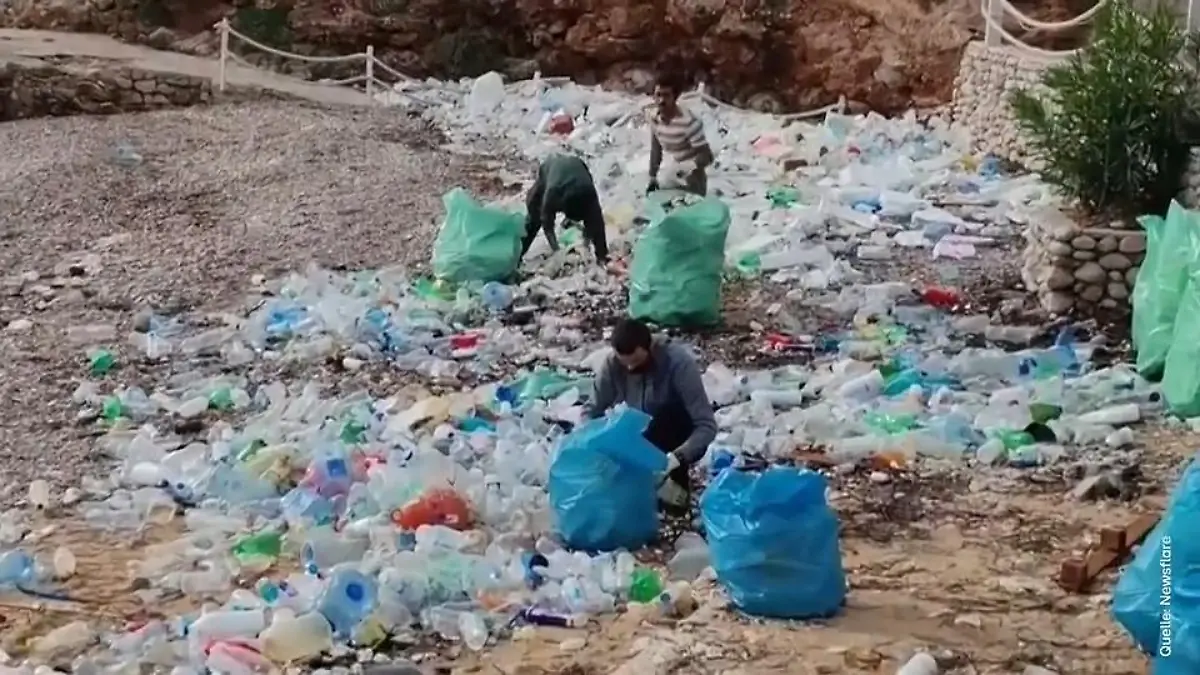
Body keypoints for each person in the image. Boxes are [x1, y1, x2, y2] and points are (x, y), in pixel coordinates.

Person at [586, 318, 717, 515]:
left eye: (636, 363)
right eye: (625, 364)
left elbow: (706, 425)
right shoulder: (613, 365)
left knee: (670, 417)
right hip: (635, 436)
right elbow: (592, 410)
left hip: (671, 436)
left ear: (649, 348)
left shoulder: (677, 363)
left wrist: (679, 456)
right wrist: (585, 440)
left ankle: (671, 487)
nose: (630, 369)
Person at [522, 153, 609, 264]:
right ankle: (517, 254)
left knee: (594, 220)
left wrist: (589, 247)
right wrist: (557, 250)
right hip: (550, 169)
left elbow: (597, 225)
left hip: (579, 170)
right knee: (535, 214)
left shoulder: (589, 194)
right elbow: (546, 223)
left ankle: (601, 258)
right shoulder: (553, 193)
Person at [647, 71, 714, 196]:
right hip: (674, 173)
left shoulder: (689, 122)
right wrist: (652, 177)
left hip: (693, 177)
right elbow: (656, 150)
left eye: (666, 95)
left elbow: (707, 156)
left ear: (675, 97)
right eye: (658, 95)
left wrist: (689, 166)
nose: (661, 100)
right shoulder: (654, 119)